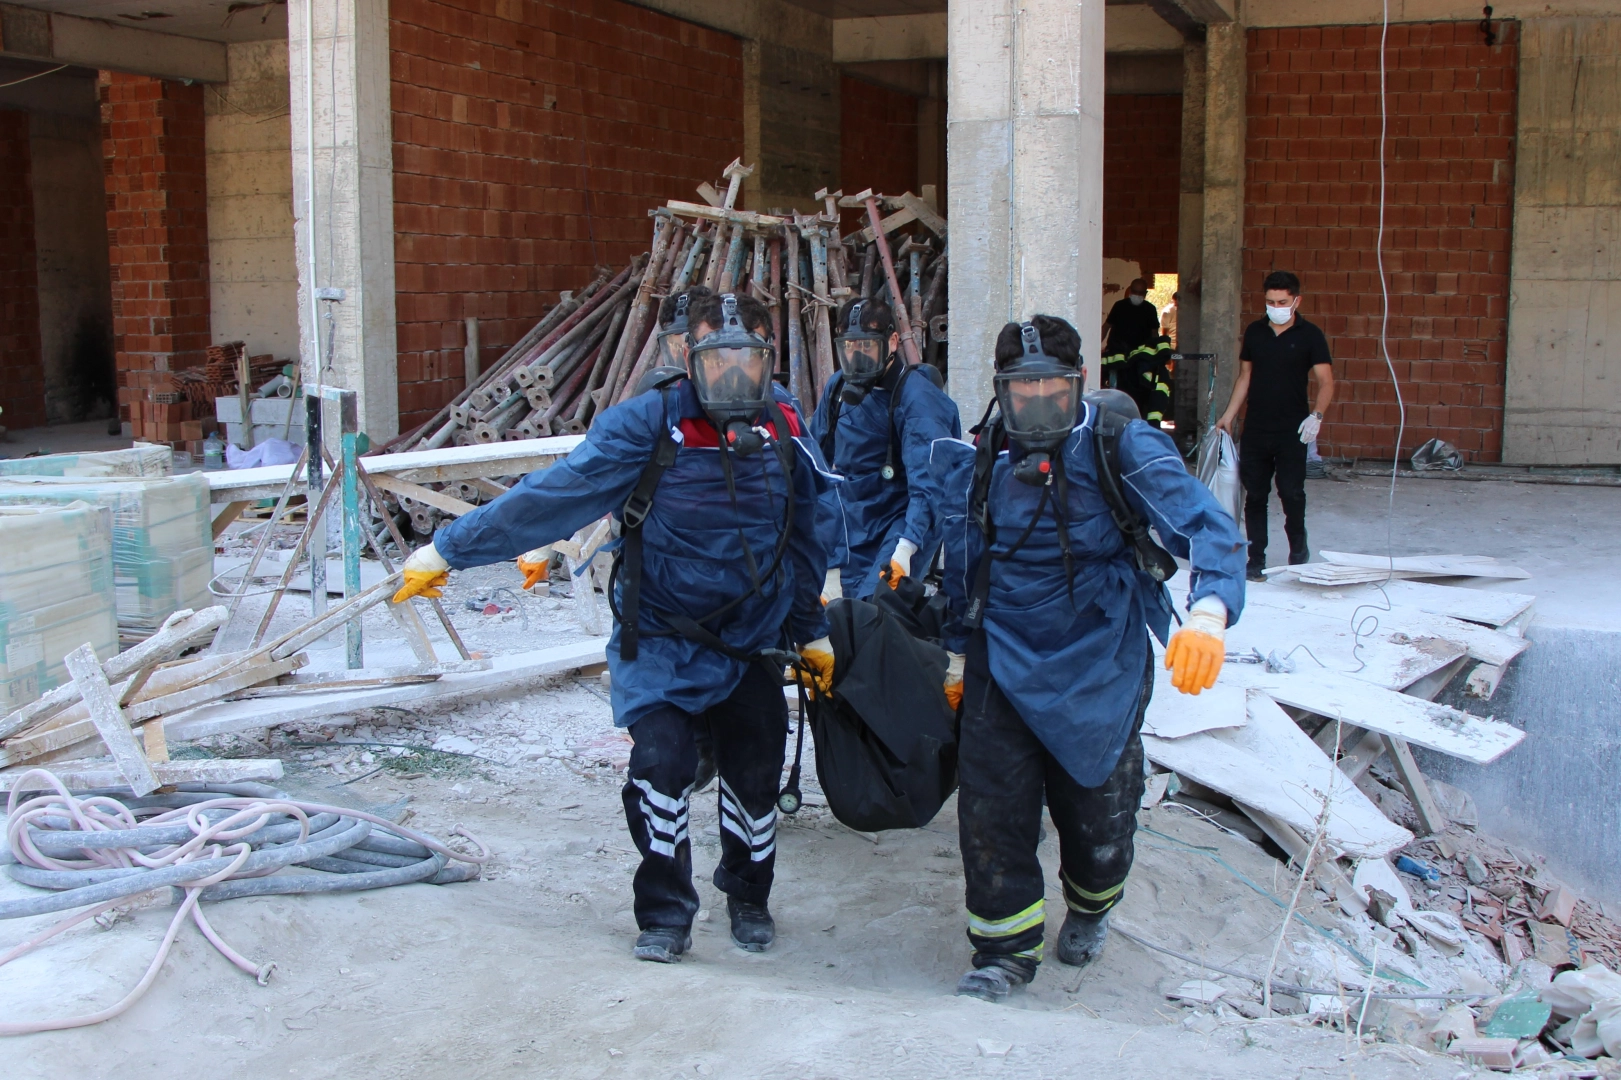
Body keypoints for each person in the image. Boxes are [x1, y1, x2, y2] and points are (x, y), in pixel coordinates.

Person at [391, 292, 834, 963]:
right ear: (689, 355)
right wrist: (448, 548)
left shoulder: (785, 426)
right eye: (717, 356)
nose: (734, 374)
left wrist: (811, 628)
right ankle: (664, 913)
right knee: (661, 767)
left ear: (770, 358)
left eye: (750, 357)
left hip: (751, 636)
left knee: (755, 771)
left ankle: (748, 895)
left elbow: (809, 530)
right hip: (659, 636)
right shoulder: (647, 425)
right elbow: (556, 494)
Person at [933, 315, 1247, 1003]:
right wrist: (957, 653)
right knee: (990, 809)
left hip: (1096, 654)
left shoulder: (1120, 445)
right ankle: (1003, 952)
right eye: (1023, 389)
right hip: (1003, 655)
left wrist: (1208, 614)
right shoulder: (982, 452)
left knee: (1097, 808)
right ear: (1000, 391)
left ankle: (1090, 904)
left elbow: (1209, 527)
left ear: (1080, 384)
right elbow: (963, 559)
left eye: (1053, 386)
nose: (1038, 401)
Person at [808, 297, 962, 601]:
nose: (856, 357)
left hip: (903, 515)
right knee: (843, 609)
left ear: (892, 342)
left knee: (877, 604)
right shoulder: (838, 387)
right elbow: (818, 461)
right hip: (854, 515)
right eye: (849, 348)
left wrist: (907, 546)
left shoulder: (918, 401)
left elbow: (929, 486)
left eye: (867, 347)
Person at [1216, 270, 1335, 580]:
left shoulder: (1310, 335)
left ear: (1296, 301)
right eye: (1270, 301)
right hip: (1256, 428)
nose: (1275, 306)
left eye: (1282, 301)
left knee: (1292, 492)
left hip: (1292, 430)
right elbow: (1245, 377)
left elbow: (1326, 382)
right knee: (1254, 496)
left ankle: (1298, 548)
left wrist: (1317, 416)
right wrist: (1229, 416)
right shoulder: (1255, 332)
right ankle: (1256, 559)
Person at [1100, 278, 1158, 389]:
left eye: (1140, 293)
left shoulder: (1150, 310)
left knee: (1137, 388)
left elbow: (1154, 333)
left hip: (1139, 358)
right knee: (1116, 387)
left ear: (1145, 293)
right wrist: (1096, 346)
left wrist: (1155, 353)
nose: (1137, 295)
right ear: (1130, 291)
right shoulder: (1119, 306)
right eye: (1135, 291)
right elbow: (1106, 326)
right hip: (1117, 356)